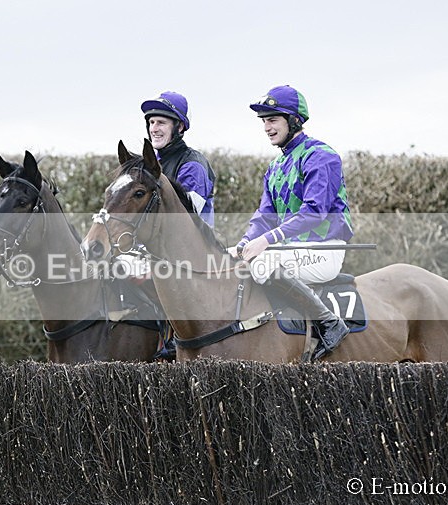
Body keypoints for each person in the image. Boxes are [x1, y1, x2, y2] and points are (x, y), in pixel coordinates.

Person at [233, 84, 354, 361]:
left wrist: (266, 240)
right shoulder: (275, 168)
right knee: (240, 265)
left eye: (273, 119)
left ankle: (329, 323)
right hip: (292, 249)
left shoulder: (321, 155)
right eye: (264, 121)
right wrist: (243, 244)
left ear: (294, 120)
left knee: (262, 264)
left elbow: (315, 212)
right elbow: (264, 215)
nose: (267, 127)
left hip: (324, 249)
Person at [141, 91, 216, 226]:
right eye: (151, 122)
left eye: (161, 123)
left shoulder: (193, 166)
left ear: (179, 127)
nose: (154, 129)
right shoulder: (154, 162)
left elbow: (181, 222)